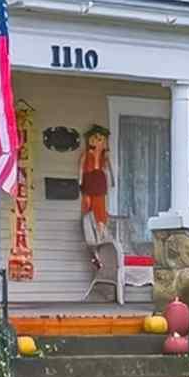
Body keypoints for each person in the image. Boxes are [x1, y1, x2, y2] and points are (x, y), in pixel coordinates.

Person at [77, 124, 116, 299]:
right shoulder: (87, 155)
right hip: (89, 182)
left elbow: (110, 172)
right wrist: (79, 181)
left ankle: (101, 236)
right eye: (95, 138)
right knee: (89, 208)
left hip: (100, 183)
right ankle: (96, 252)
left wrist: (113, 181)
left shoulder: (105, 157)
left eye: (101, 139)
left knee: (100, 212)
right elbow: (80, 169)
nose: (98, 142)